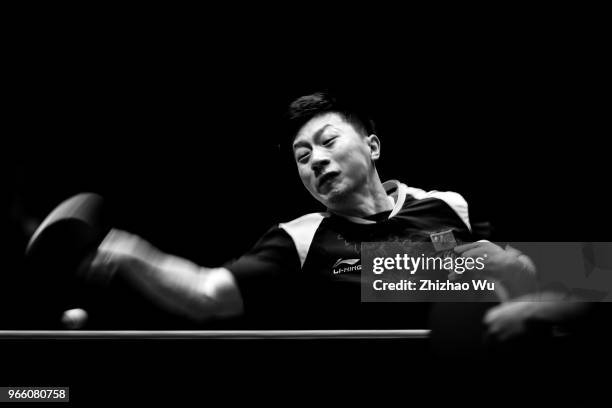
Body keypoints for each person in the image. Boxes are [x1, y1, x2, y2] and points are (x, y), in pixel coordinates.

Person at [80, 91, 537, 333]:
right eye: (302, 156)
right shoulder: (297, 240)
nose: (315, 159)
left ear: (373, 147)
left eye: (328, 141)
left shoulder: (446, 205)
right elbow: (207, 292)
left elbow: (564, 277)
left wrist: (518, 270)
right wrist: (133, 252)